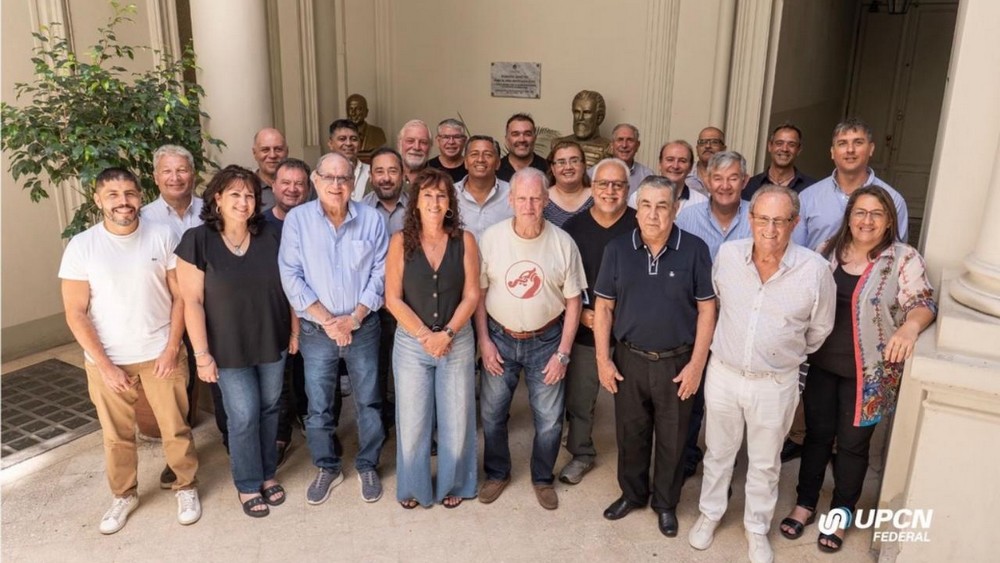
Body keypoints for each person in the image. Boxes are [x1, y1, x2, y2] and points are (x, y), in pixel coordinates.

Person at [780, 186, 936, 553]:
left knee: (851, 445)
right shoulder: (827, 252)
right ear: (848, 217)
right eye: (860, 212)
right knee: (815, 436)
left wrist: (910, 326)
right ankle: (805, 504)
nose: (867, 221)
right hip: (820, 365)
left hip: (869, 375)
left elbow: (923, 301)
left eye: (876, 214)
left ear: (888, 221)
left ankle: (840, 513)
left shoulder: (903, 258)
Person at [689, 185, 835, 563]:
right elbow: (714, 307)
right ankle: (710, 514)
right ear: (750, 220)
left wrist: (784, 355)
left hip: (775, 383)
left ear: (795, 223)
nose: (770, 229)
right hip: (724, 373)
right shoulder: (727, 256)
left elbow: (819, 331)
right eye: (763, 219)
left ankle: (756, 528)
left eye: (780, 221)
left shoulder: (815, 270)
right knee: (719, 452)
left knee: (766, 462)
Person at [60, 167, 201, 534]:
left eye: (129, 193)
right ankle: (124, 495)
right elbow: (75, 312)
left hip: (159, 353)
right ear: (98, 199)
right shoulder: (82, 246)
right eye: (113, 194)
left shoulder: (162, 235)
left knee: (176, 428)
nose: (123, 201)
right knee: (116, 435)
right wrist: (105, 366)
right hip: (107, 360)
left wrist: (172, 348)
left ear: (140, 195)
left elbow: (180, 297)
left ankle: (186, 486)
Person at [593, 175, 716, 538]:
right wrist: (604, 360)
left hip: (678, 363)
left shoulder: (695, 249)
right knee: (631, 433)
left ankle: (665, 504)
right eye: (645, 205)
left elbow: (707, 311)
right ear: (636, 210)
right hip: (629, 359)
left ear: (676, 210)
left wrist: (697, 365)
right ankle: (632, 494)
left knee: (673, 438)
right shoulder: (617, 249)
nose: (653, 214)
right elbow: (603, 308)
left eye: (662, 206)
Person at [175, 165, 292, 518]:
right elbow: (191, 301)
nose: (244, 202)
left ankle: (268, 473)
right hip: (226, 348)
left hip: (272, 339)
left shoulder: (271, 235)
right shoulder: (197, 240)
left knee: (271, 407)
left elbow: (290, 286)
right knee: (243, 415)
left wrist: (296, 332)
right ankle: (247, 483)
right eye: (236, 195)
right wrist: (201, 354)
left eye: (250, 195)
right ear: (218, 198)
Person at [279, 152, 389, 505]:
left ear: (354, 181)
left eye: (344, 178)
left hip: (363, 326)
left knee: (370, 401)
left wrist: (353, 318)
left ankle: (368, 463)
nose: (337, 185)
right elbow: (290, 275)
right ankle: (327, 465)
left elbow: (381, 274)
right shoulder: (297, 221)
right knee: (319, 405)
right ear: (315, 179)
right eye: (330, 177)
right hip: (317, 331)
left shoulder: (372, 220)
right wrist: (329, 321)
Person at [476, 167, 586, 510]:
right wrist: (484, 342)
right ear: (510, 201)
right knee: (492, 413)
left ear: (546, 200)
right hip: (499, 337)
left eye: (535, 198)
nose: (528, 205)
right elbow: (478, 294)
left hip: (548, 341)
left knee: (550, 419)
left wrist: (564, 353)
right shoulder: (491, 238)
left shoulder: (563, 243)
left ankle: (542, 477)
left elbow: (573, 301)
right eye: (521, 198)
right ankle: (497, 472)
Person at [385, 168, 481, 509]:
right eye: (427, 195)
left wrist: (448, 333)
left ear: (450, 202)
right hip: (413, 344)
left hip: (458, 340)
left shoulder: (465, 241)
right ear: (415, 202)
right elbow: (392, 299)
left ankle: (455, 483)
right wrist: (426, 336)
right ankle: (413, 487)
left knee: (457, 417)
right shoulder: (399, 242)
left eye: (441, 195)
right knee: (412, 420)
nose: (435, 202)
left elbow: (472, 295)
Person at [559, 157, 637, 486]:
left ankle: (636, 459)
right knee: (579, 398)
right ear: (592, 187)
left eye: (617, 185)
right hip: (585, 327)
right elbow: (560, 279)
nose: (610, 190)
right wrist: (580, 314)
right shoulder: (572, 229)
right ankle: (581, 452)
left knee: (634, 403)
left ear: (627, 190)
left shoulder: (640, 225)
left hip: (631, 331)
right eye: (603, 184)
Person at [142, 144, 215, 488]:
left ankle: (233, 439)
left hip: (212, 306)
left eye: (182, 170)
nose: (175, 177)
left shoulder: (211, 208)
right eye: (167, 171)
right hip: (171, 312)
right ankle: (179, 458)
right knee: (180, 389)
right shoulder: (144, 218)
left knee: (220, 373)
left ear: (194, 174)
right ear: (156, 177)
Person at [794, 117, 909, 250]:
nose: (850, 150)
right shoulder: (808, 197)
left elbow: (896, 254)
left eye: (858, 142)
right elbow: (797, 251)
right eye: (842, 143)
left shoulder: (893, 200)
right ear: (832, 152)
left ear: (871, 149)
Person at [264, 158, 313, 467]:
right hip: (277, 314)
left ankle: (312, 421)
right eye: (286, 182)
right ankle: (281, 435)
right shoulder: (260, 225)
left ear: (308, 189)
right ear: (273, 186)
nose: (293, 189)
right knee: (279, 379)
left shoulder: (316, 221)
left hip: (315, 313)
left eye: (299, 184)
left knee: (312, 376)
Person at [362, 146, 410, 426]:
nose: (386, 177)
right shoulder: (357, 210)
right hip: (371, 306)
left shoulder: (418, 206)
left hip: (410, 304)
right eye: (379, 171)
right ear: (370, 175)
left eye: (392, 170)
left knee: (408, 371)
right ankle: (379, 427)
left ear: (403, 174)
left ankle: (414, 426)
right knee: (373, 370)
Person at [455, 135, 513, 240]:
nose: (480, 159)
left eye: (488, 155)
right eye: (474, 154)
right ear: (465, 162)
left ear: (498, 163)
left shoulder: (513, 194)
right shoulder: (449, 194)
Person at [627, 140, 708, 213]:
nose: (675, 166)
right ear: (660, 164)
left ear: (690, 167)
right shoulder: (638, 197)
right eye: (670, 159)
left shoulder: (701, 202)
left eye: (682, 161)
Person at [742, 123, 815, 200]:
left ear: (799, 150)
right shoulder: (749, 186)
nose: (784, 149)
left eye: (791, 144)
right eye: (779, 143)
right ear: (770, 146)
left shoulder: (811, 188)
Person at [587, 124, 654, 196]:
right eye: (620, 140)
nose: (624, 145)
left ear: (637, 145)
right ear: (612, 145)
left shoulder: (647, 176)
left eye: (630, 140)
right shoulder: (593, 174)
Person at [555, 90, 611, 167]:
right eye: (577, 112)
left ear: (599, 118)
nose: (580, 118)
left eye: (587, 112)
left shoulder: (610, 148)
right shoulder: (557, 144)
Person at [544, 140, 593, 227]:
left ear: (584, 165)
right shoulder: (542, 200)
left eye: (574, 161)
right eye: (561, 162)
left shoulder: (598, 197)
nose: (568, 167)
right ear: (553, 168)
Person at [327, 119, 371, 201]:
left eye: (354, 139)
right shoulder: (320, 175)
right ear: (330, 143)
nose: (348, 143)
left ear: (360, 143)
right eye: (342, 139)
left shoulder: (371, 172)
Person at [497, 113, 549, 182]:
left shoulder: (548, 169)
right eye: (515, 134)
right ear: (507, 139)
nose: (522, 139)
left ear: (534, 138)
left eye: (527, 134)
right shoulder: (495, 170)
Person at [251, 127, 289, 211]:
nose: (272, 155)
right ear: (254, 153)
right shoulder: (247, 187)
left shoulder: (303, 186)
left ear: (287, 151)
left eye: (278, 149)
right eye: (265, 150)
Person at [346, 93, 388, 163]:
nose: (353, 113)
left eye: (358, 109)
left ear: (366, 112)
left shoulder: (378, 133)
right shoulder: (341, 135)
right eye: (350, 109)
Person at [427, 118, 468, 183]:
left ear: (464, 141)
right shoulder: (427, 168)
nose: (451, 142)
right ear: (438, 141)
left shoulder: (471, 168)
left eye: (456, 137)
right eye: (446, 137)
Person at [689, 127, 726, 197]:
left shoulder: (732, 176)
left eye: (714, 142)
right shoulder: (684, 174)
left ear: (724, 149)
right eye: (702, 142)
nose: (707, 146)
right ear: (697, 149)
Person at [398, 119, 432, 184]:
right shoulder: (387, 178)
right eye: (410, 141)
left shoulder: (438, 180)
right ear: (399, 144)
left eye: (423, 142)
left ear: (430, 146)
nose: (416, 147)